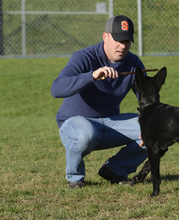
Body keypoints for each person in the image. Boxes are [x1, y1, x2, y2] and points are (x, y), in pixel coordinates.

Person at [51, 15, 148, 188]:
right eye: (118, 40)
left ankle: (115, 170)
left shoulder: (133, 62)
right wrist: (92, 76)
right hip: (75, 124)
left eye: (127, 40)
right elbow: (56, 89)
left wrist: (150, 121)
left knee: (156, 130)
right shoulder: (84, 57)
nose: (123, 46)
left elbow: (146, 97)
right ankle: (75, 178)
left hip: (109, 123)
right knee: (85, 132)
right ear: (105, 37)